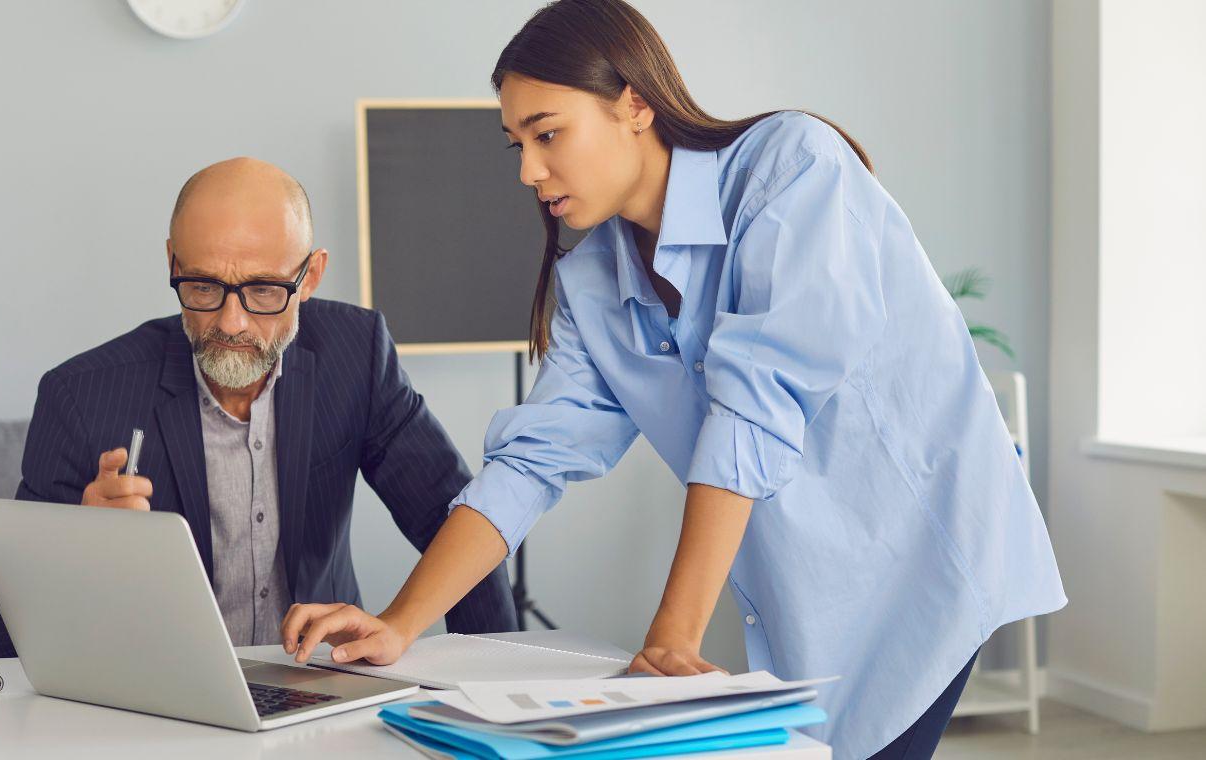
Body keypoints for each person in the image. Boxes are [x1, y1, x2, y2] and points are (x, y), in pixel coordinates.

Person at [280, 2, 1065, 757]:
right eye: (515, 144)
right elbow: (531, 462)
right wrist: (400, 622)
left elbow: (755, 407)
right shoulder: (590, 277)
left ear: (635, 104)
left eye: (547, 134)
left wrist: (673, 639)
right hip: (812, 593)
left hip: (925, 556)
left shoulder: (791, 167)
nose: (528, 170)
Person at [0, 157, 516, 657]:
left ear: (309, 276)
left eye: (263, 290)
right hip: (158, 704)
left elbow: (457, 525)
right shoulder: (79, 395)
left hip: (317, 689)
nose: (232, 323)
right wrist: (77, 553)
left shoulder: (357, 355)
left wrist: (492, 680)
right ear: (173, 262)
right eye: (203, 285)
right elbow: (6, 637)